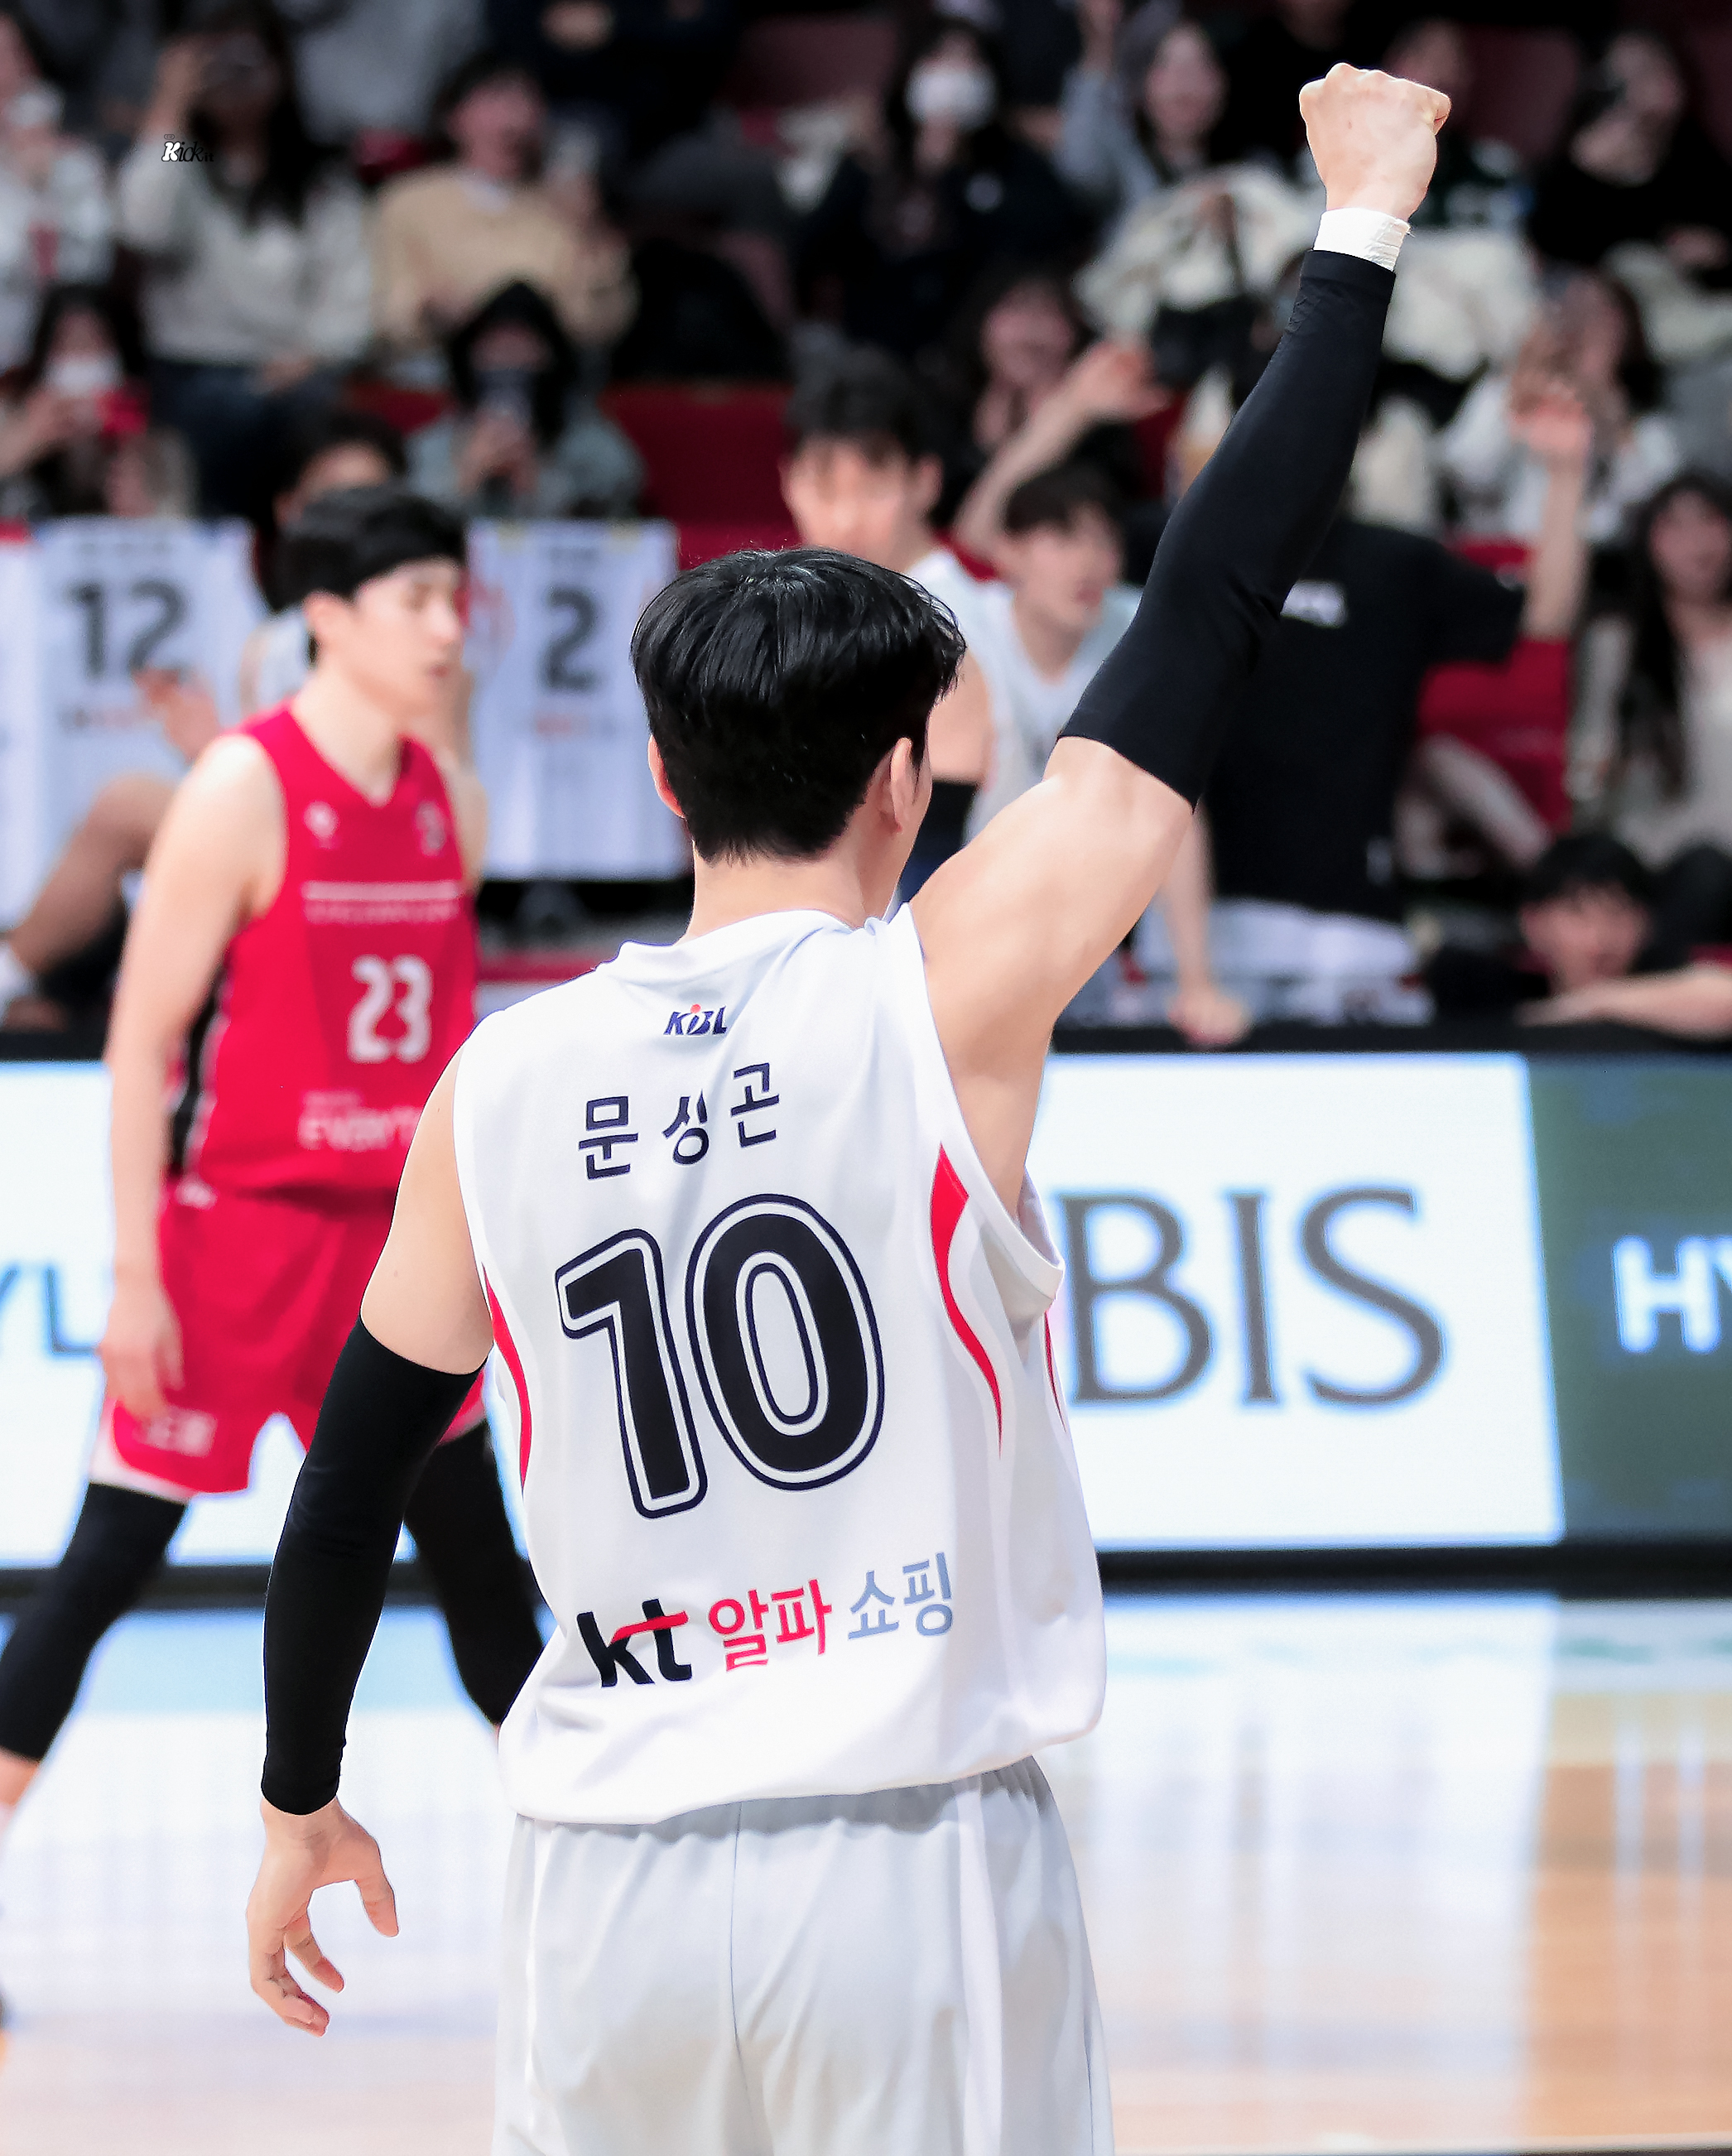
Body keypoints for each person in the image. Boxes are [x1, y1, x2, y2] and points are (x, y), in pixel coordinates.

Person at [242, 65, 1446, 2154]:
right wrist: (1357, 227)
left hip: (597, 1893)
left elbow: (350, 1481)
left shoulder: (494, 1077)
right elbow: (1207, 602)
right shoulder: (942, 989)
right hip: (905, 1869)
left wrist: (296, 1797)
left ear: (657, 778)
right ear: (906, 780)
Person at [0, 491, 545, 1884]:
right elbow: (142, 1043)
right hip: (238, 1239)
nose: (446, 627)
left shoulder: (454, 800)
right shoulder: (240, 787)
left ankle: (608, 1870)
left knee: (485, 1581)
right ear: (327, 616)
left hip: (400, 1251)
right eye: (415, 598)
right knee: (105, 1564)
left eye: (455, 597)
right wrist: (136, 1274)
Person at [1159, 386, 1594, 1024]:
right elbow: (1032, 542)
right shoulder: (1186, 550)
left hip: (1356, 926)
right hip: (1205, 926)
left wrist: (1566, 472)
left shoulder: (1397, 564)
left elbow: (1546, 615)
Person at [0, 410, 414, 1034]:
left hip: (363, 861)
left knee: (127, 804)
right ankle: (50, 994)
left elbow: (408, 795)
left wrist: (216, 753)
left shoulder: (420, 639)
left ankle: (24, 981)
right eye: (334, 501)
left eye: (373, 503)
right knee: (134, 826)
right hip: (288, 841)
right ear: (290, 511)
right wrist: (213, 751)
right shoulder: (274, 643)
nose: (355, 524)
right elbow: (276, 781)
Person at [114, 7, 373, 520]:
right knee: (219, 413)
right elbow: (142, 225)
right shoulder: (189, 159)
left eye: (248, 61)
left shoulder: (314, 173)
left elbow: (350, 288)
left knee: (315, 420)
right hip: (192, 370)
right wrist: (169, 105)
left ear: (281, 70)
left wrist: (316, 352)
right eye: (217, 63)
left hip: (294, 368)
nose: (234, 78)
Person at [779, 346, 997, 883]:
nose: (845, 518)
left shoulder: (946, 623)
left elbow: (931, 849)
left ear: (925, 481)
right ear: (788, 482)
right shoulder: (820, 615)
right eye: (824, 489)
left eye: (873, 490)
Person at [795, 18, 1085, 363]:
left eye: (970, 64)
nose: (953, 78)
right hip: (877, 350)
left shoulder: (1015, 165)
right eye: (940, 61)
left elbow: (1049, 241)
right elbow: (812, 250)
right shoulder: (872, 162)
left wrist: (952, 177)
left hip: (976, 357)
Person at [371, 51, 636, 373]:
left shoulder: (564, 207)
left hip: (546, 371)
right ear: (453, 118)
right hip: (438, 367)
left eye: (526, 100)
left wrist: (592, 230)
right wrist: (432, 314)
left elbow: (604, 323)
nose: (514, 116)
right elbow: (390, 310)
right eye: (496, 99)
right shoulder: (408, 201)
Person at [1572, 472, 1732, 953]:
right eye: (1674, 526)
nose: (1696, 542)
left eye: (1710, 521)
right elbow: (1586, 770)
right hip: (1650, 858)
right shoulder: (1617, 645)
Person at [1439, 268, 1681, 546]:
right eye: (1569, 310)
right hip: (1503, 556)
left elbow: (1648, 508)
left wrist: (1605, 406)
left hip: (1601, 562)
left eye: (1597, 317)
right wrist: (1517, 394)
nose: (1579, 328)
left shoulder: (1648, 428)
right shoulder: (1502, 392)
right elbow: (1467, 472)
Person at [1427, 830, 1732, 1037]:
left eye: (1617, 914)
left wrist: (1587, 1005)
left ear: (1646, 924)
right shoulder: (1483, 988)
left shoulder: (1664, 983)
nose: (1599, 941)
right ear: (1533, 922)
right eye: (1578, 914)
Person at [407, 277, 642, 518]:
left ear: (552, 357)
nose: (508, 360)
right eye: (496, 347)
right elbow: (413, 509)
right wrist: (465, 476)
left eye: (522, 347)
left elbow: (621, 493)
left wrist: (537, 476)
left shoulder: (584, 434)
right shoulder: (441, 440)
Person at [1528, 31, 1732, 284]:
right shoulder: (1580, 150)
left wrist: (1718, 249)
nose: (1638, 90)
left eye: (1650, 72)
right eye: (1623, 79)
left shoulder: (1693, 149)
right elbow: (1546, 247)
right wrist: (1586, 170)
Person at [0, 282, 193, 521]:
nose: (81, 358)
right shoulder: (14, 420)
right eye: (68, 345)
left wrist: (131, 456)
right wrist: (19, 444)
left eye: (94, 344)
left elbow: (176, 521)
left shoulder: (158, 439)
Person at [1056, 0, 1233, 239]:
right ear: (1140, 86)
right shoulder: (1124, 173)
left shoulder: (1252, 176)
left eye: (1200, 64)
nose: (1184, 82)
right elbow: (1078, 164)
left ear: (1222, 83)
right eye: (1166, 65)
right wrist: (1100, 49)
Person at [0, 66, 111, 369]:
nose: (36, 144)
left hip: (65, 321)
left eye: (44, 132)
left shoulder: (82, 168)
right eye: (25, 134)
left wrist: (48, 193)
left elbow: (93, 255)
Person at [1377, 17, 1528, 233]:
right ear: (1392, 66)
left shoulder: (1495, 168)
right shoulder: (1341, 164)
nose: (1444, 74)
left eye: (1456, 60)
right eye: (1428, 57)